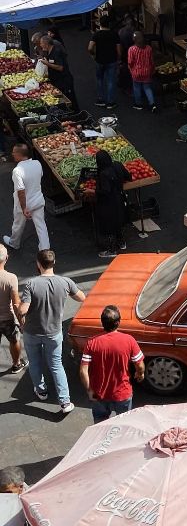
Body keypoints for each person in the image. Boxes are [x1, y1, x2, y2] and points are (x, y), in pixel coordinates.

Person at [19, 249, 85, 413]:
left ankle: (41, 391)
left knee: (34, 362)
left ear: (38, 264)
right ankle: (65, 402)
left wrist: (20, 313)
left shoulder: (31, 284)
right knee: (56, 365)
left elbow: (23, 310)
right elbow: (82, 297)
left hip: (32, 333)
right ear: (54, 263)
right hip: (54, 332)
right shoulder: (65, 282)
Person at [79, 304, 144, 423]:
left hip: (99, 394)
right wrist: (140, 374)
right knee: (124, 424)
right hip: (122, 393)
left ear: (102, 323)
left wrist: (89, 390)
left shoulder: (91, 343)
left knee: (100, 424)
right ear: (118, 322)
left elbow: (83, 370)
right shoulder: (129, 340)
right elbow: (139, 365)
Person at [3, 144, 49, 253]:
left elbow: (21, 191)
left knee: (18, 225)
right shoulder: (37, 163)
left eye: (14, 152)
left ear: (19, 154)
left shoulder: (17, 170)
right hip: (38, 200)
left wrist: (24, 208)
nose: (12, 154)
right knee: (41, 226)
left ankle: (14, 243)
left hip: (24, 204)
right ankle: (45, 249)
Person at [94, 149, 131, 258]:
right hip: (119, 199)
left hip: (108, 204)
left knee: (109, 225)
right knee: (119, 221)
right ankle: (122, 243)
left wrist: (93, 191)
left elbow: (105, 191)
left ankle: (112, 250)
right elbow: (128, 176)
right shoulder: (117, 165)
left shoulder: (103, 173)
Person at [0, 245, 26, 373]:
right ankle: (16, 364)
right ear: (6, 258)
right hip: (8, 319)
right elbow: (16, 303)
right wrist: (22, 321)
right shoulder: (11, 278)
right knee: (14, 340)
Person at [88, 15, 121, 110]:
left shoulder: (96, 34)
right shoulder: (114, 34)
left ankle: (100, 99)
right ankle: (110, 102)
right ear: (109, 24)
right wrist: (118, 58)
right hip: (112, 60)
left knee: (100, 79)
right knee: (111, 81)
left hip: (100, 60)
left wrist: (93, 55)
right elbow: (119, 50)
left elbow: (90, 47)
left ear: (100, 24)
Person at [37, 34, 77, 110]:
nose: (40, 45)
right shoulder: (49, 51)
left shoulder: (56, 52)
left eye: (41, 43)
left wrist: (47, 63)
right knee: (61, 99)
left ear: (46, 44)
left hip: (64, 80)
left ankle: (74, 113)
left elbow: (60, 67)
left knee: (69, 99)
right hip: (56, 80)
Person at [127, 30, 157, 112]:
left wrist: (130, 68)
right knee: (147, 88)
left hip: (136, 73)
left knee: (136, 88)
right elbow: (151, 61)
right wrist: (153, 69)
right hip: (147, 72)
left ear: (134, 40)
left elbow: (130, 62)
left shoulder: (131, 49)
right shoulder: (149, 48)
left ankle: (138, 104)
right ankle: (152, 104)